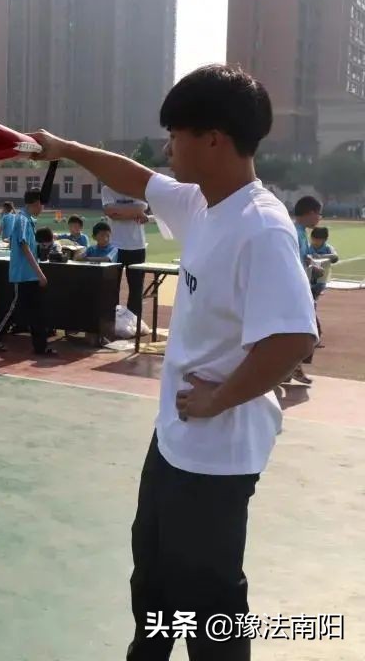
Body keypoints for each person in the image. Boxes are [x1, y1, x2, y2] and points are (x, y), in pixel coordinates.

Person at [29, 64, 317, 661]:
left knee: (210, 610)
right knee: (154, 588)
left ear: (212, 139)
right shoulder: (202, 204)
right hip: (173, 442)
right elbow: (135, 178)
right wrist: (65, 148)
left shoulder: (260, 227)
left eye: (175, 134)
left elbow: (293, 339)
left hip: (217, 456)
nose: (167, 148)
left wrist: (218, 398)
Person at [0, 189, 54, 356]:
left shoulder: (29, 220)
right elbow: (23, 246)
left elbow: (29, 245)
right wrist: (39, 273)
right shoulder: (21, 219)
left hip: (29, 274)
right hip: (24, 274)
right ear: (36, 203)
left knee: (36, 310)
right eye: (42, 204)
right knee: (14, 309)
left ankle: (40, 347)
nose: (43, 208)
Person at [289, 196, 324, 384]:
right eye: (319, 213)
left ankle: (290, 369)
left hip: (300, 287)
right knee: (307, 330)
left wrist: (311, 263)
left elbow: (301, 255)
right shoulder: (293, 232)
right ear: (310, 213)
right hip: (293, 289)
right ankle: (290, 368)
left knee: (301, 329)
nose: (319, 218)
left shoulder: (301, 232)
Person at [102, 181, 149, 318]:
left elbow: (141, 208)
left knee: (136, 288)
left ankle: (134, 321)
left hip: (137, 245)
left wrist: (119, 213)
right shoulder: (107, 189)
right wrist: (136, 213)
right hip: (114, 246)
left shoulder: (138, 188)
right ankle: (111, 320)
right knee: (111, 287)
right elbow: (109, 212)